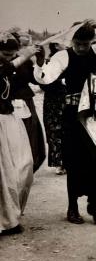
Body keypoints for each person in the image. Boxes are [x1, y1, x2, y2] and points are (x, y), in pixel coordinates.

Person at [34, 20, 96, 225]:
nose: (83, 48)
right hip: (74, 115)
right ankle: (72, 207)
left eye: (86, 43)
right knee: (75, 162)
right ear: (72, 41)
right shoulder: (63, 56)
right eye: (79, 44)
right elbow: (45, 78)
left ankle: (94, 203)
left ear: (92, 41)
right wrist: (40, 62)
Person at [0, 32, 38, 235]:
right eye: (4, 54)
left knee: (25, 165)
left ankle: (13, 213)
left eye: (10, 54)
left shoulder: (10, 67)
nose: (7, 57)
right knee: (3, 174)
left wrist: (29, 57)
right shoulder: (6, 66)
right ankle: (8, 220)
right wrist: (23, 55)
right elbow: (6, 68)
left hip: (10, 119)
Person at [10, 34, 46, 172]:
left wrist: (40, 61)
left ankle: (26, 170)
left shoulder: (25, 62)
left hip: (25, 103)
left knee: (30, 137)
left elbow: (36, 79)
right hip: (5, 107)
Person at [41, 42, 67, 175]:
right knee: (55, 131)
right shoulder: (48, 62)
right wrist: (60, 82)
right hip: (53, 102)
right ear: (57, 46)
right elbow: (43, 84)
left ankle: (69, 161)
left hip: (69, 99)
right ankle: (59, 163)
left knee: (69, 130)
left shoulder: (70, 58)